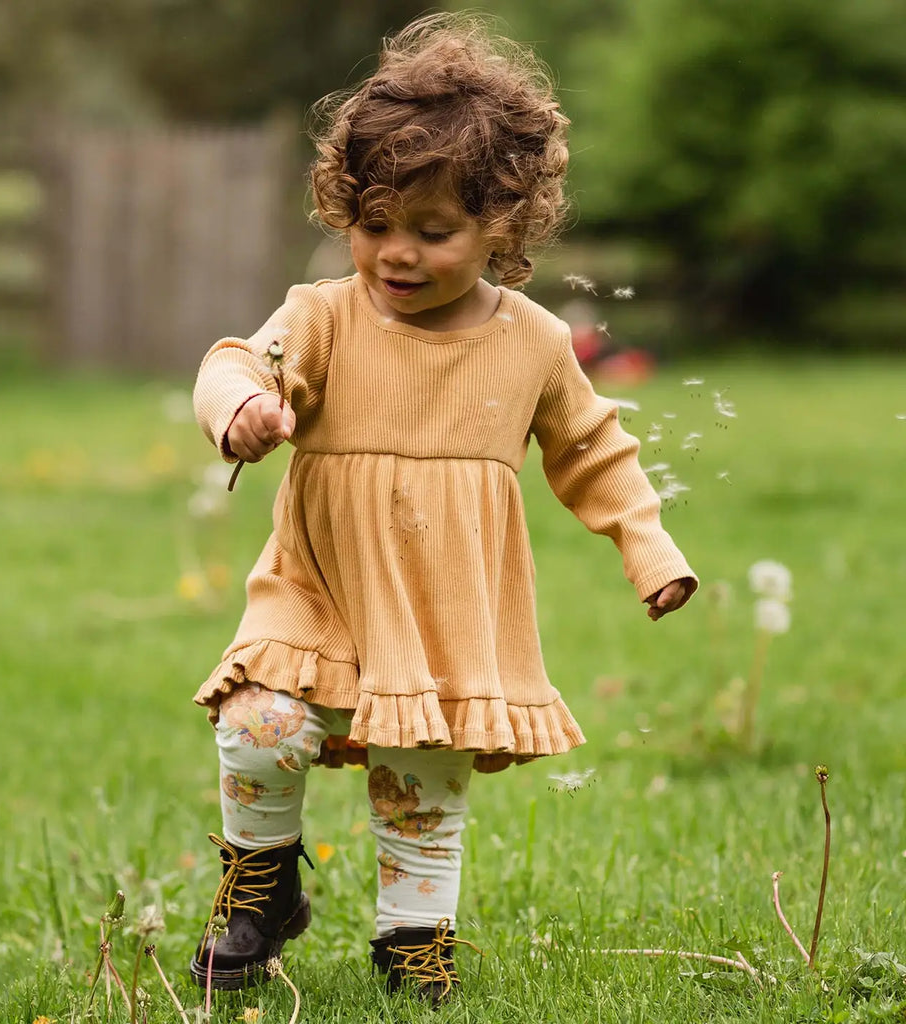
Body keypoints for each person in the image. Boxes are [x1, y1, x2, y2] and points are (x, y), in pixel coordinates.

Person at [187, 12, 697, 1005]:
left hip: (443, 606)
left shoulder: (534, 343)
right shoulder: (323, 315)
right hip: (318, 585)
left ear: (500, 230)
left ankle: (412, 938)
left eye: (432, 231)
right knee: (258, 720)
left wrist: (648, 546)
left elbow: (595, 448)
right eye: (373, 224)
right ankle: (260, 881)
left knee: (419, 774)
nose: (395, 254)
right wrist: (240, 409)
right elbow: (234, 361)